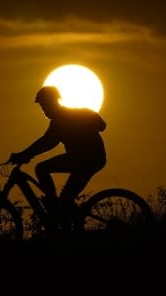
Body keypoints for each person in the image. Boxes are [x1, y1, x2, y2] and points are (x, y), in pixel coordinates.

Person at [9, 85, 107, 223]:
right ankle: (63, 214)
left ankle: (53, 205)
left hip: (87, 159)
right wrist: (26, 154)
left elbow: (48, 142)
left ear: (54, 102)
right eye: (42, 107)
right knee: (66, 199)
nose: (44, 109)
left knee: (41, 168)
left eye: (45, 105)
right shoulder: (62, 119)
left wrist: (24, 155)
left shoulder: (65, 117)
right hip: (85, 159)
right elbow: (47, 142)